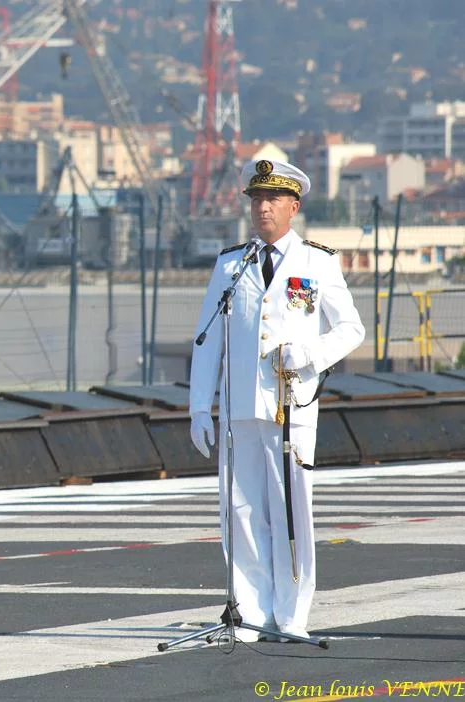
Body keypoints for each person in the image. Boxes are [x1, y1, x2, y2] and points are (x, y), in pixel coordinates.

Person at [188, 158, 364, 643]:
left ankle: (290, 613)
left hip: (292, 407)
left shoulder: (317, 262)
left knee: (290, 510)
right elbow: (207, 342)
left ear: (294, 206)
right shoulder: (231, 263)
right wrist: (200, 405)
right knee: (240, 511)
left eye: (272, 200)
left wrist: (309, 354)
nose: (262, 208)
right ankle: (248, 611)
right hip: (240, 406)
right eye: (256, 200)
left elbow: (351, 328)